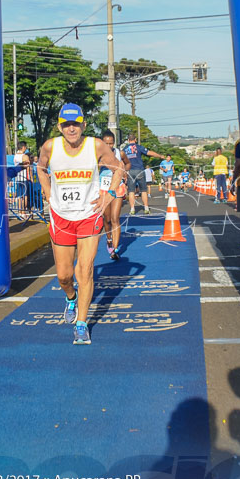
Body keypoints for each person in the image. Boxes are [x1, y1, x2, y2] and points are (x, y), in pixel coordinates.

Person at [36, 103, 126, 345]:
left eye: (76, 123)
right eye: (66, 124)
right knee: (65, 276)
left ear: (84, 124)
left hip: (89, 215)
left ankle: (81, 324)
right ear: (60, 127)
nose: (71, 128)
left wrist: (108, 194)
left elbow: (118, 169)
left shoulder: (96, 145)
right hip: (61, 217)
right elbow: (41, 168)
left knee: (84, 270)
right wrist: (46, 189)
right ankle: (71, 297)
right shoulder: (50, 146)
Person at [121, 133, 166, 215]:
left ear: (128, 140)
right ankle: (146, 208)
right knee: (144, 190)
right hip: (140, 170)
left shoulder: (124, 149)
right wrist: (159, 156)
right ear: (135, 140)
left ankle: (132, 209)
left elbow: (121, 161)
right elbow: (149, 153)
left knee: (131, 191)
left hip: (130, 171)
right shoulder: (138, 147)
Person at [98, 130, 126, 260]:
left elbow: (127, 163)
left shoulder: (120, 153)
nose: (109, 146)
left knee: (115, 218)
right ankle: (109, 238)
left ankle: (114, 249)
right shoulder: (98, 155)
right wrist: (101, 164)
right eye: (106, 143)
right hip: (104, 187)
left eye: (111, 143)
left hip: (118, 187)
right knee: (107, 219)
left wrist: (124, 173)